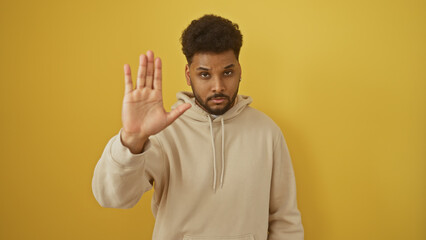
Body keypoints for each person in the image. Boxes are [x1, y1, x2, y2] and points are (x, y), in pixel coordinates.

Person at [92, 14, 304, 240]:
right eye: (204, 74)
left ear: (240, 70)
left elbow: (285, 221)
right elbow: (112, 197)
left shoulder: (267, 132)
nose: (218, 86)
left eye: (228, 73)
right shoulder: (163, 132)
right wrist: (133, 138)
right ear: (188, 74)